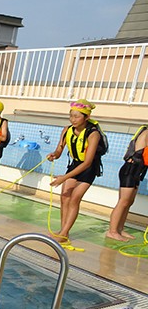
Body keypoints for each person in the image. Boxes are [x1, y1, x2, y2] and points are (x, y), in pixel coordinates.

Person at [46, 99, 103, 243]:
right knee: (65, 196)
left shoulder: (93, 134)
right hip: (75, 164)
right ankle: (63, 231)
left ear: (87, 117)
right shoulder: (67, 130)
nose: (73, 119)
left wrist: (64, 178)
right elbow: (60, 149)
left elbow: (88, 162)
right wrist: (54, 154)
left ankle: (64, 233)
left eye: (77, 117)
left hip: (88, 168)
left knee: (74, 198)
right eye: (71, 116)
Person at [105, 125, 148, 241]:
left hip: (136, 171)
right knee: (123, 202)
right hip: (130, 170)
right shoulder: (146, 133)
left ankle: (120, 229)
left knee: (129, 202)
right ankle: (112, 231)